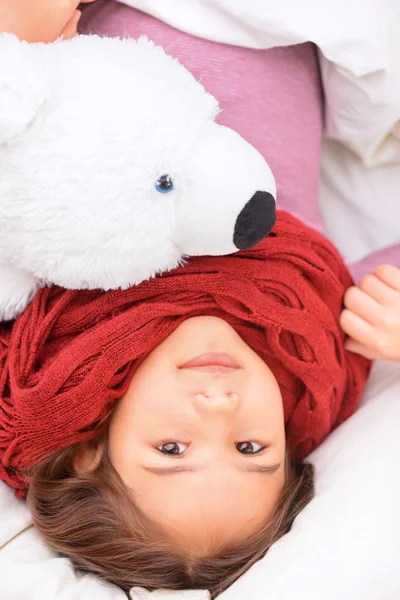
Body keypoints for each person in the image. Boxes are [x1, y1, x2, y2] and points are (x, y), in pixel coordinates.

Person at [0, 1, 399, 597]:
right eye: (250, 447)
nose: (218, 405)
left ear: (90, 451)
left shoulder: (52, 346)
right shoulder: (316, 345)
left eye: (172, 447)